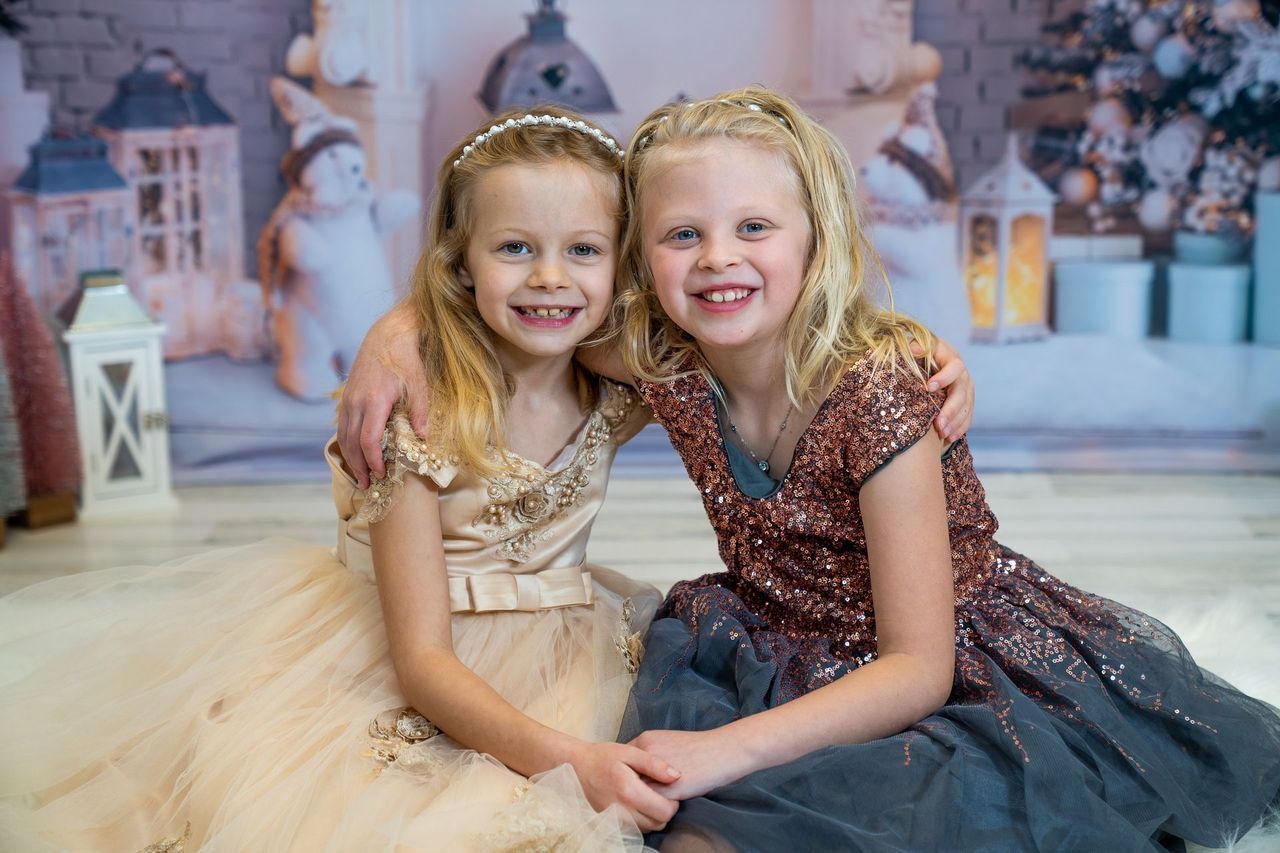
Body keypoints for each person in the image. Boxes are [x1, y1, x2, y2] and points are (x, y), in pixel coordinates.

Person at [341, 88, 1280, 852]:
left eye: (755, 226)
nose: (718, 259)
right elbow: (521, 306)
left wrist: (719, 752)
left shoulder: (878, 400)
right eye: (681, 236)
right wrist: (395, 335)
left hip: (940, 672)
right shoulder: (669, 363)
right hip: (770, 640)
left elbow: (919, 667)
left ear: (816, 240)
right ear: (639, 258)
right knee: (670, 831)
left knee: (880, 816)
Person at [1, 106, 684, 852]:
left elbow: (714, 343)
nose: (550, 277)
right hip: (414, 656)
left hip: (571, 648)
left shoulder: (616, 393)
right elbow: (423, 663)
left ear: (620, 265)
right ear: (460, 263)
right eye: (514, 247)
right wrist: (574, 761)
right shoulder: (417, 414)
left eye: (583, 249)